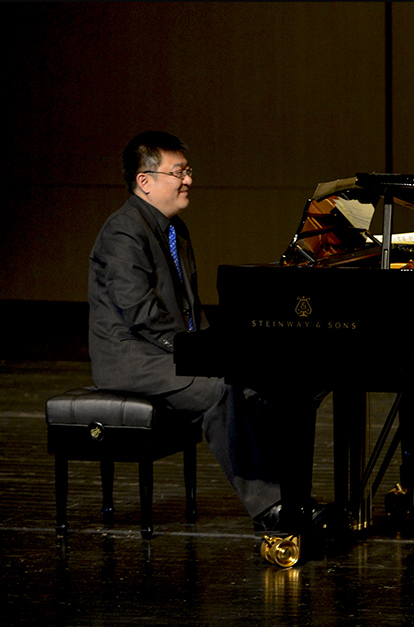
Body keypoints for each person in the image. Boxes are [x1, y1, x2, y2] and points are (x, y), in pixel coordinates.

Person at [88, 131, 285, 531]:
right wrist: (199, 355)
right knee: (220, 389)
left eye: (187, 170)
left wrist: (221, 350)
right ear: (145, 181)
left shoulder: (174, 229)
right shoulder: (123, 231)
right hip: (133, 360)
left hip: (168, 352)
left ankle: (290, 492)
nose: (188, 180)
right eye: (178, 172)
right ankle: (271, 509)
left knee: (261, 383)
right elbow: (141, 313)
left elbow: (190, 310)